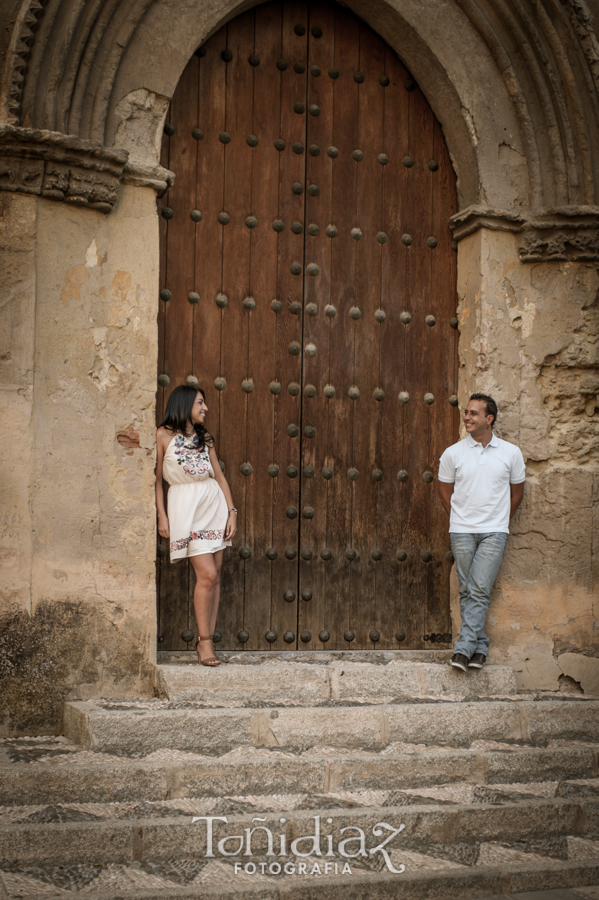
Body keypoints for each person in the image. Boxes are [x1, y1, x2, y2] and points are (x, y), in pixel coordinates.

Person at [438, 393, 525, 672]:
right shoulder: (453, 453)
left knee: (478, 588)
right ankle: (481, 647)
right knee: (468, 590)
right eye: (466, 412)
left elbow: (517, 493)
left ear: (489, 419)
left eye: (474, 413)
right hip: (461, 531)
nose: (467, 417)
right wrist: (460, 519)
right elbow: (444, 492)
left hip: (494, 533)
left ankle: (463, 650)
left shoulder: (511, 453)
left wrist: (499, 522)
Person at [156, 385, 237, 666]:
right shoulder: (163, 435)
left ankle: (207, 640)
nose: (205, 408)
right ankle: (203, 644)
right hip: (186, 510)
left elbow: (221, 477)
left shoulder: (206, 439)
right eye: (200, 403)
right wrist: (162, 515)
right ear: (185, 403)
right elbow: (156, 480)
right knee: (208, 575)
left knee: (215, 577)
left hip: (213, 507)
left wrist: (232, 512)